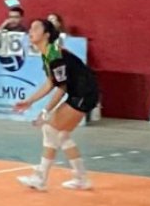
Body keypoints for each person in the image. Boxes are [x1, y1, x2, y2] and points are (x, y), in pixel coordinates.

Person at [12, 18, 97, 191]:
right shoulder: (48, 54)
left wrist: (45, 111)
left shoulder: (54, 55)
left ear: (46, 35)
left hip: (84, 93)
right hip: (82, 92)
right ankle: (80, 178)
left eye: (36, 28)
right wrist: (30, 101)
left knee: (50, 128)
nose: (30, 31)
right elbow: (51, 82)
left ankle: (40, 178)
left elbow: (62, 88)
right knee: (61, 135)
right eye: (30, 28)